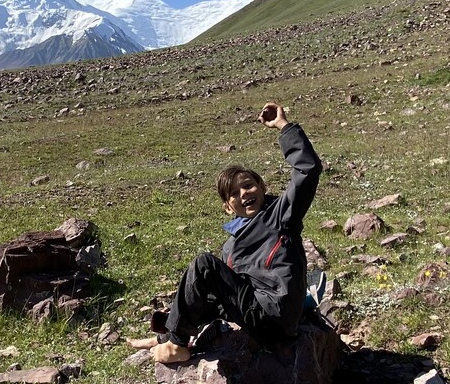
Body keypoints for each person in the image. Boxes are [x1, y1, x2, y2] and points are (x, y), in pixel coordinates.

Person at [126, 101, 322, 364]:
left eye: (249, 186)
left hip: (274, 318)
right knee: (206, 285)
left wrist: (283, 126)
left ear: (262, 188)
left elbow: (308, 170)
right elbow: (224, 296)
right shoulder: (231, 246)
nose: (244, 194)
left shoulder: (281, 215)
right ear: (228, 207)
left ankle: (175, 343)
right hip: (256, 314)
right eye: (234, 193)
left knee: (205, 266)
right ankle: (167, 337)